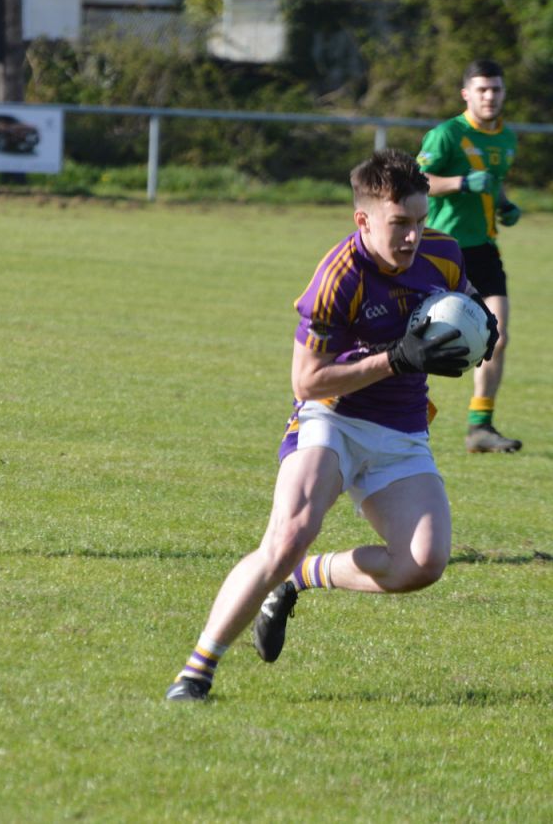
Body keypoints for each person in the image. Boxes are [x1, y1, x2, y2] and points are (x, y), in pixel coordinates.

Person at [165, 149, 497, 702]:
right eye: (400, 224)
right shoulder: (338, 277)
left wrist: (478, 328)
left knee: (422, 565)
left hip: (402, 432)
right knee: (287, 536)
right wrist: (398, 358)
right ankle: (196, 673)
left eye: (420, 220)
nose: (413, 235)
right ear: (363, 220)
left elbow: (461, 302)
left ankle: (303, 578)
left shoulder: (442, 252)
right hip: (333, 419)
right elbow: (308, 382)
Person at [417, 58, 523, 453]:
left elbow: (493, 185)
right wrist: (460, 182)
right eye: (481, 89)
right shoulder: (447, 135)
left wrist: (504, 204)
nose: (490, 96)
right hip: (441, 248)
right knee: (421, 336)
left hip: (484, 249)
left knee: (499, 336)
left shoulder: (506, 139)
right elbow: (417, 180)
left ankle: (481, 426)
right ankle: (401, 409)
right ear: (466, 93)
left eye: (495, 89)